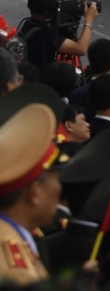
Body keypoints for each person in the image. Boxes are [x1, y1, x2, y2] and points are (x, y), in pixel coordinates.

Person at [0, 100, 63, 285]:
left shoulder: (15, 241)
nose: (60, 188)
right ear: (35, 192)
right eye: (56, 178)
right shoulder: (18, 273)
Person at [20, 0, 97, 72]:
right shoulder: (44, 35)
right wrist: (89, 20)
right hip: (40, 79)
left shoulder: (28, 23)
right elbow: (81, 49)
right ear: (48, 9)